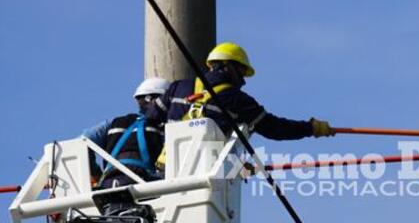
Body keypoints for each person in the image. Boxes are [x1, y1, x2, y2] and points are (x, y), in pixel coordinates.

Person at [146, 42, 335, 141]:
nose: (243, 80)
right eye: (242, 71)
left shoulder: (177, 87)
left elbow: (149, 120)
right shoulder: (238, 100)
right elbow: (275, 129)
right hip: (206, 173)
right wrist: (311, 128)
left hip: (166, 170)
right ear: (228, 67)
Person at [83, 77, 170, 188]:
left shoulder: (114, 123)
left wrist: (96, 175)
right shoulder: (163, 127)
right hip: (143, 185)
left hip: (108, 184)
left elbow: (84, 140)